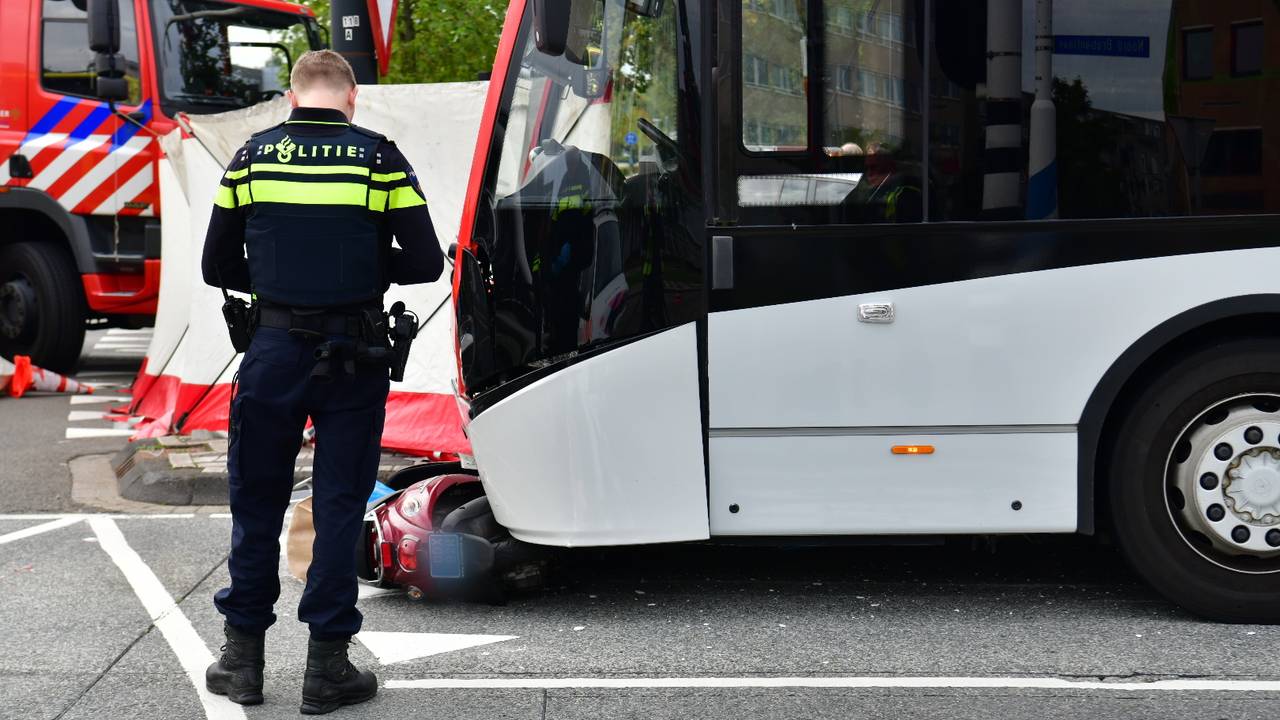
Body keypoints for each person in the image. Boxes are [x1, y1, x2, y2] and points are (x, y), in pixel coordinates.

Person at [199, 50, 443, 715]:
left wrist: (282, 280)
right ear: (352, 97)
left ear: (290, 96)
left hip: (272, 350)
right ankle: (326, 669)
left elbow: (214, 263)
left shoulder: (251, 159)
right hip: (354, 354)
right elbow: (425, 261)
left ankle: (242, 663)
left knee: (256, 505)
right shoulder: (380, 159)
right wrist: (359, 267)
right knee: (338, 504)